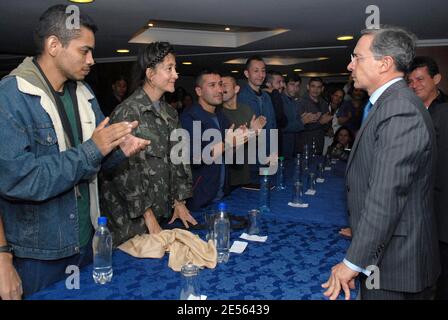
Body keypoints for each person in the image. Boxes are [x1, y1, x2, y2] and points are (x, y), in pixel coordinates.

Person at [0, 5, 150, 298]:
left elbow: (95, 164)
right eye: (85, 51)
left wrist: (117, 151)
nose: (92, 60)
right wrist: (93, 149)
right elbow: (20, 180)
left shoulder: (84, 94)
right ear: (53, 45)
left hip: (86, 239)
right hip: (41, 254)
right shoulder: (12, 97)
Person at [322, 26, 440, 300]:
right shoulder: (390, 103)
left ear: (384, 63)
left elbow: (386, 195)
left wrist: (352, 262)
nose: (350, 65)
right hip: (389, 253)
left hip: (396, 261)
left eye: (358, 57)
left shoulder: (399, 109)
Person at [100, 42, 197, 247]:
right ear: (151, 74)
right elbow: (123, 171)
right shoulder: (127, 112)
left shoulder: (170, 113)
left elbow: (178, 158)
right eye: (169, 68)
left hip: (162, 213)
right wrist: (148, 216)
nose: (176, 75)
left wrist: (179, 201)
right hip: (130, 223)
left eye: (175, 68)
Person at [180, 70, 248, 210]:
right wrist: (227, 143)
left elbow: (232, 159)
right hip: (199, 199)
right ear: (199, 91)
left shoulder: (220, 116)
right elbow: (196, 158)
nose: (219, 90)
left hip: (221, 194)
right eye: (212, 85)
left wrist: (239, 140)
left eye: (220, 84)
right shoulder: (190, 117)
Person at [221, 74, 266, 187]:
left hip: (245, 175)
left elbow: (256, 145)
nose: (221, 89)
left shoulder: (246, 110)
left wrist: (255, 132)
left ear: (236, 89)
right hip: (225, 177)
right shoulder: (218, 113)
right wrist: (248, 133)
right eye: (219, 85)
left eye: (224, 85)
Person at [296, 77, 333, 154]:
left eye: (318, 87)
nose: (315, 90)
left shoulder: (324, 103)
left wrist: (328, 127)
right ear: (308, 87)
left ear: (322, 88)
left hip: (319, 142)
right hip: (305, 143)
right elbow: (299, 126)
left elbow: (327, 121)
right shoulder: (300, 103)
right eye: (313, 86)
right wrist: (320, 122)